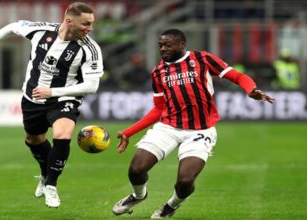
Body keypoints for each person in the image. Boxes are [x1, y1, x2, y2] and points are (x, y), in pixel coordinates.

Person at [112, 29, 273, 219]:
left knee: (185, 181)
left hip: (200, 130)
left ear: (182, 45)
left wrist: (250, 89)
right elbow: (158, 109)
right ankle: (138, 196)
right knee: (136, 169)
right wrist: (129, 132)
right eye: (160, 45)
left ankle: (171, 206)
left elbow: (238, 77)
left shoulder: (202, 59)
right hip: (168, 127)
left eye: (167, 45)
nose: (162, 49)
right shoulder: (158, 71)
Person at [0, 2, 103, 208]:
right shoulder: (41, 31)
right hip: (33, 98)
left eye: (91, 24)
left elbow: (92, 85)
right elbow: (11, 27)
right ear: (69, 21)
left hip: (64, 97)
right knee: (34, 139)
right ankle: (45, 173)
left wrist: (53, 92)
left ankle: (52, 186)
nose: (89, 29)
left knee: (62, 135)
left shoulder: (90, 49)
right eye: (85, 24)